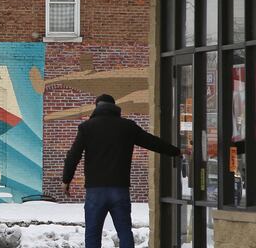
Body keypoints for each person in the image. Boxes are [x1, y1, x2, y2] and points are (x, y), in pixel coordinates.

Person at [63, 93, 180, 248]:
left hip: (95, 191)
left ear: (97, 106)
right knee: (124, 231)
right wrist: (176, 151)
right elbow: (152, 142)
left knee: (92, 233)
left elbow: (73, 155)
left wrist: (66, 180)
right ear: (114, 107)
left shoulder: (87, 128)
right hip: (120, 190)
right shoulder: (127, 126)